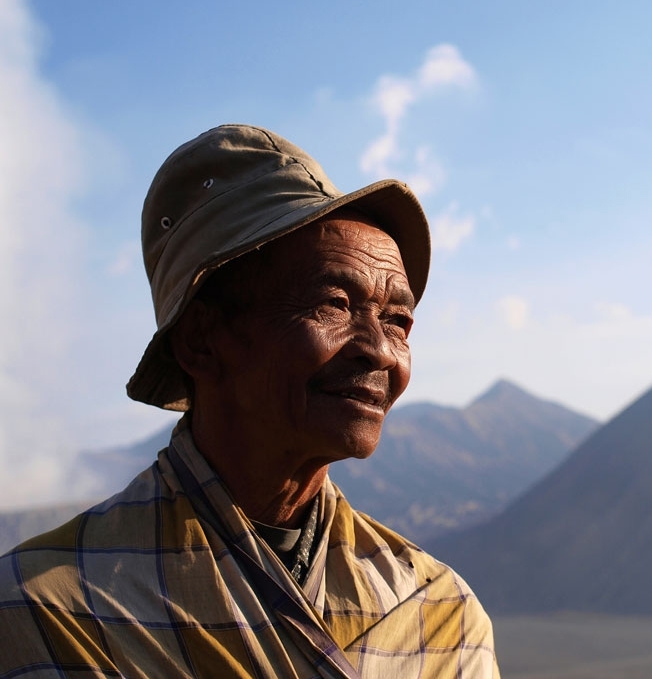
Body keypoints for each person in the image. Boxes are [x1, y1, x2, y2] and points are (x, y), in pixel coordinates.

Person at [0, 125, 500, 678]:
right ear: (200, 339)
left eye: (397, 320)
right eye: (334, 303)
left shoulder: (437, 613)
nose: (381, 351)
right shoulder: (52, 610)